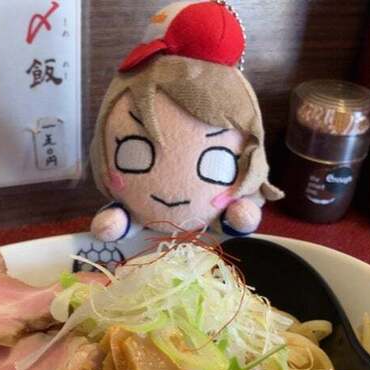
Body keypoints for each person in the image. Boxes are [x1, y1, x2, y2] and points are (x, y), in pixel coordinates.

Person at [89, 0, 283, 242]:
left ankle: (226, 221)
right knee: (109, 227)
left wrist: (237, 214)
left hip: (211, 229)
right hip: (137, 220)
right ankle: (127, 219)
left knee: (240, 219)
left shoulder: (232, 92)